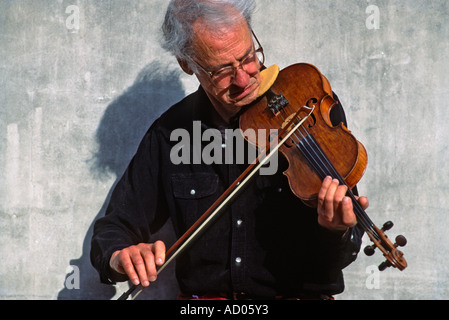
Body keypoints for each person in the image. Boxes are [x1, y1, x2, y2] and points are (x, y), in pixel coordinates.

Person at [90, 0, 369, 300]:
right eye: (221, 70)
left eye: (248, 56)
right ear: (187, 64)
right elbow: (114, 228)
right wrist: (121, 257)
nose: (243, 78)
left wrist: (336, 232)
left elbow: (343, 253)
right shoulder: (171, 133)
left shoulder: (307, 106)